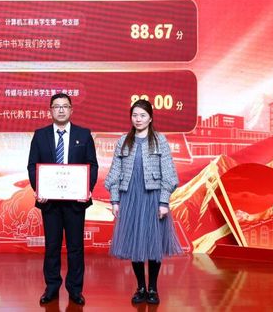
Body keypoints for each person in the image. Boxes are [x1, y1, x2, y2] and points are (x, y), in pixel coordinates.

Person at [104, 99, 183, 305]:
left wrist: (163, 202)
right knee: (134, 242)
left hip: (153, 198)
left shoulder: (160, 140)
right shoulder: (123, 141)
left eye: (142, 115)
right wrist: (115, 200)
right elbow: (115, 173)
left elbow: (169, 174)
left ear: (150, 118)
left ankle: (153, 288)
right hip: (130, 197)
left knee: (154, 242)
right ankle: (140, 287)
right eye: (135, 115)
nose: (138, 119)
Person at [27, 92, 98, 306]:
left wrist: (86, 189)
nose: (60, 110)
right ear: (50, 110)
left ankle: (75, 289)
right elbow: (32, 166)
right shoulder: (40, 135)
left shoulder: (83, 135)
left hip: (75, 202)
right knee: (52, 246)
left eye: (65, 106)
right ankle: (51, 287)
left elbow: (92, 165)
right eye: (56, 106)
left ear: (71, 110)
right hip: (50, 202)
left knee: (76, 247)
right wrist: (39, 189)